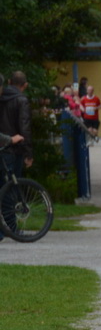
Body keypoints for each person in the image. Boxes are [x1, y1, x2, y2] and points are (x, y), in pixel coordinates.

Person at [0, 72, 31, 238]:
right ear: (24, 85)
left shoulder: (3, 97)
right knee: (11, 188)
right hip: (13, 148)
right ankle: (11, 227)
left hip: (3, 148)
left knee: (3, 188)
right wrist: (27, 152)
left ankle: (4, 229)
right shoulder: (21, 100)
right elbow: (24, 127)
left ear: (10, 82)